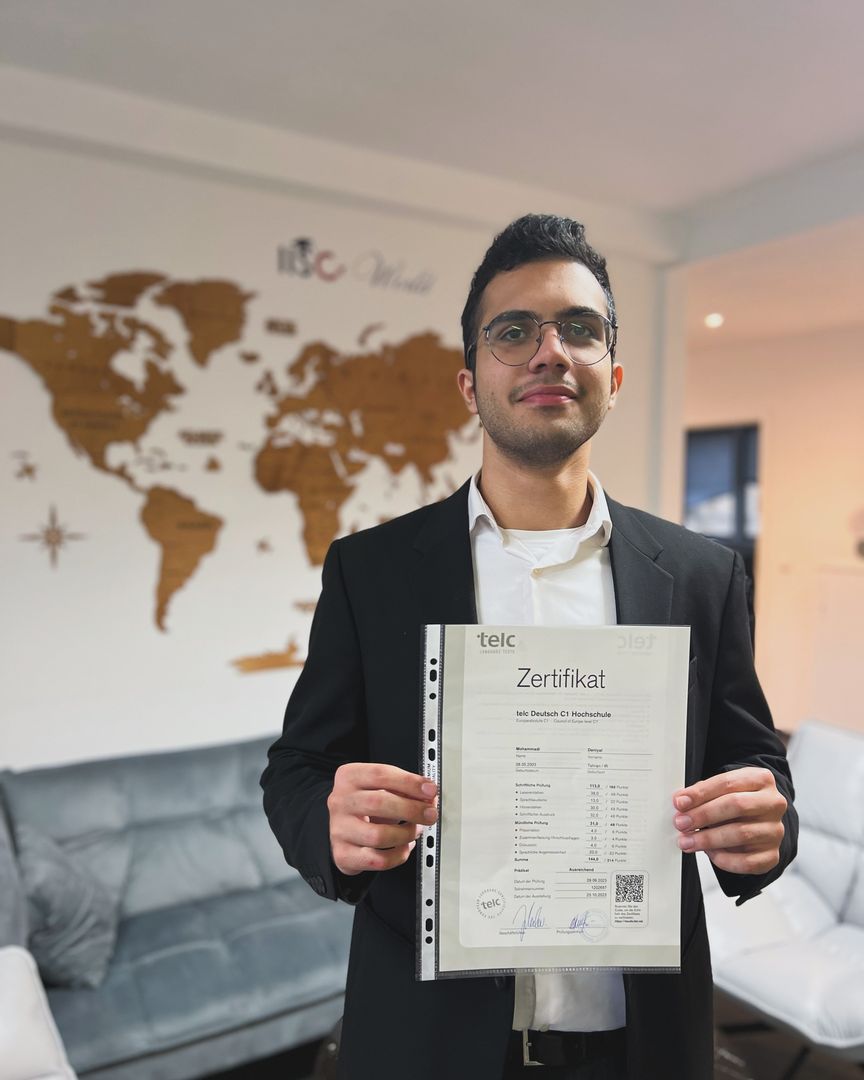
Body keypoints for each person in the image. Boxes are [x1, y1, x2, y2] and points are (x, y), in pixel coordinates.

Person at [261, 214, 797, 1080]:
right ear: (471, 383)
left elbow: (757, 765)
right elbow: (296, 768)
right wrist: (330, 819)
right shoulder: (373, 572)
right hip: (428, 1042)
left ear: (613, 378)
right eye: (514, 331)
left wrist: (768, 826)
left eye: (579, 328)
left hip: (639, 1047)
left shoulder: (704, 576)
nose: (550, 351)